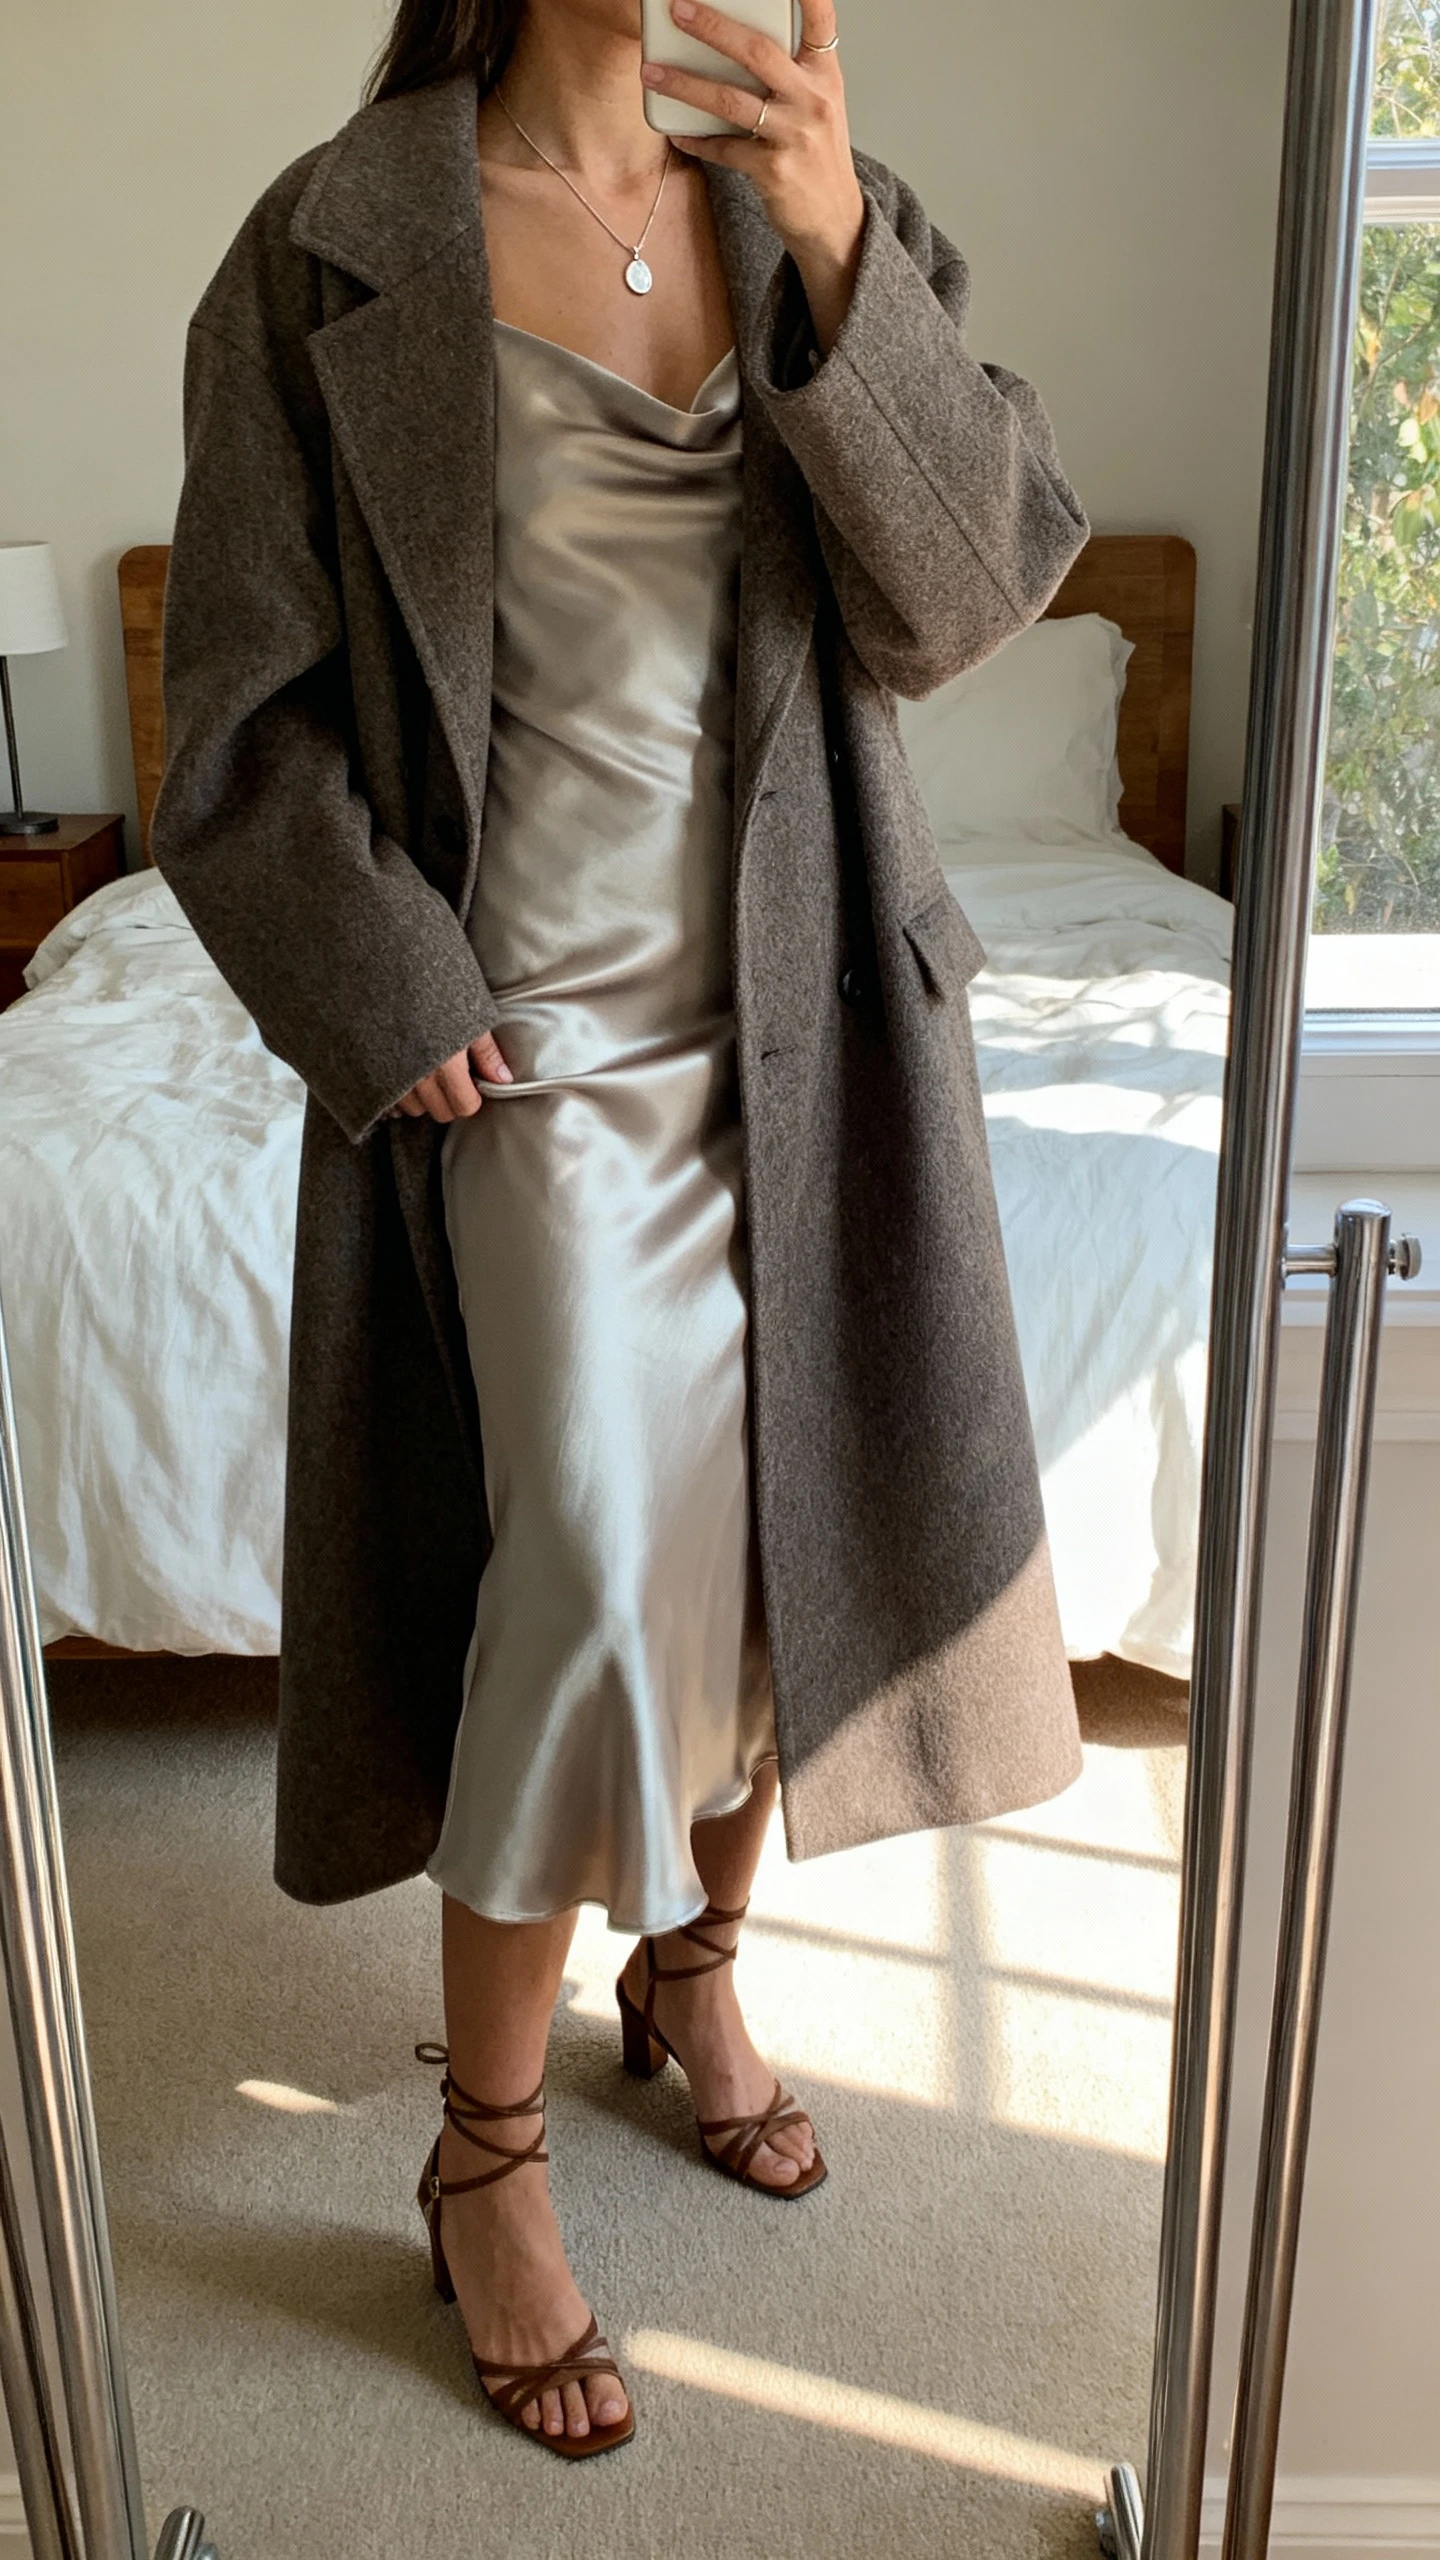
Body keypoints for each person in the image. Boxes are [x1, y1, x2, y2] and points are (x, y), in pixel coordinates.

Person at [152, 0, 1089, 2462]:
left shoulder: (822, 219)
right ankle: (483, 2146)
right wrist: (390, 985)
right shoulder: (329, 244)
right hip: (526, 1045)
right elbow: (236, 725)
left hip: (811, 1016)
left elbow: (965, 598)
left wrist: (840, 250)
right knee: (584, 1539)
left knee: (782, 1539)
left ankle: (692, 1962)